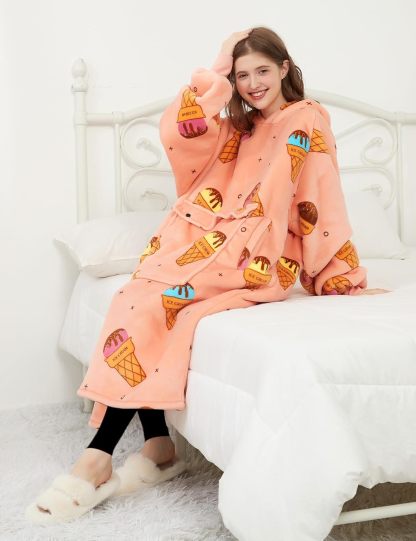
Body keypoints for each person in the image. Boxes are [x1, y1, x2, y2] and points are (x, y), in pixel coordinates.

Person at [26, 26, 390, 524]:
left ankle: (97, 457)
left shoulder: (307, 118)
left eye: (263, 71)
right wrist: (217, 72)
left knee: (151, 304)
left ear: (285, 68)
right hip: (198, 238)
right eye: (242, 75)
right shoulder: (237, 129)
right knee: (137, 296)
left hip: (255, 254)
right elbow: (182, 130)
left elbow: (320, 197)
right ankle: (157, 446)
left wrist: (337, 273)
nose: (253, 84)